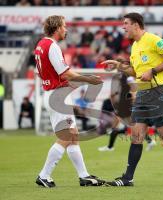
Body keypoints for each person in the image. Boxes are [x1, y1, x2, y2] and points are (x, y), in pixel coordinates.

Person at [102, 13, 163, 187]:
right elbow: (136, 72)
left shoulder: (153, 39)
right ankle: (128, 178)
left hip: (158, 92)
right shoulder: (134, 46)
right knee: (136, 135)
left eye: (126, 23)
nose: (123, 27)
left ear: (136, 25)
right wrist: (118, 65)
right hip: (142, 94)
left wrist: (153, 71)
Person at [34, 15, 105, 188]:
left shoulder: (40, 45)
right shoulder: (52, 46)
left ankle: (84, 176)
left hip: (53, 93)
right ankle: (44, 175)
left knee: (73, 136)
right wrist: (88, 79)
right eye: (64, 26)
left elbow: (46, 73)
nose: (66, 29)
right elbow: (64, 73)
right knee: (68, 135)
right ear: (57, 28)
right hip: (57, 95)